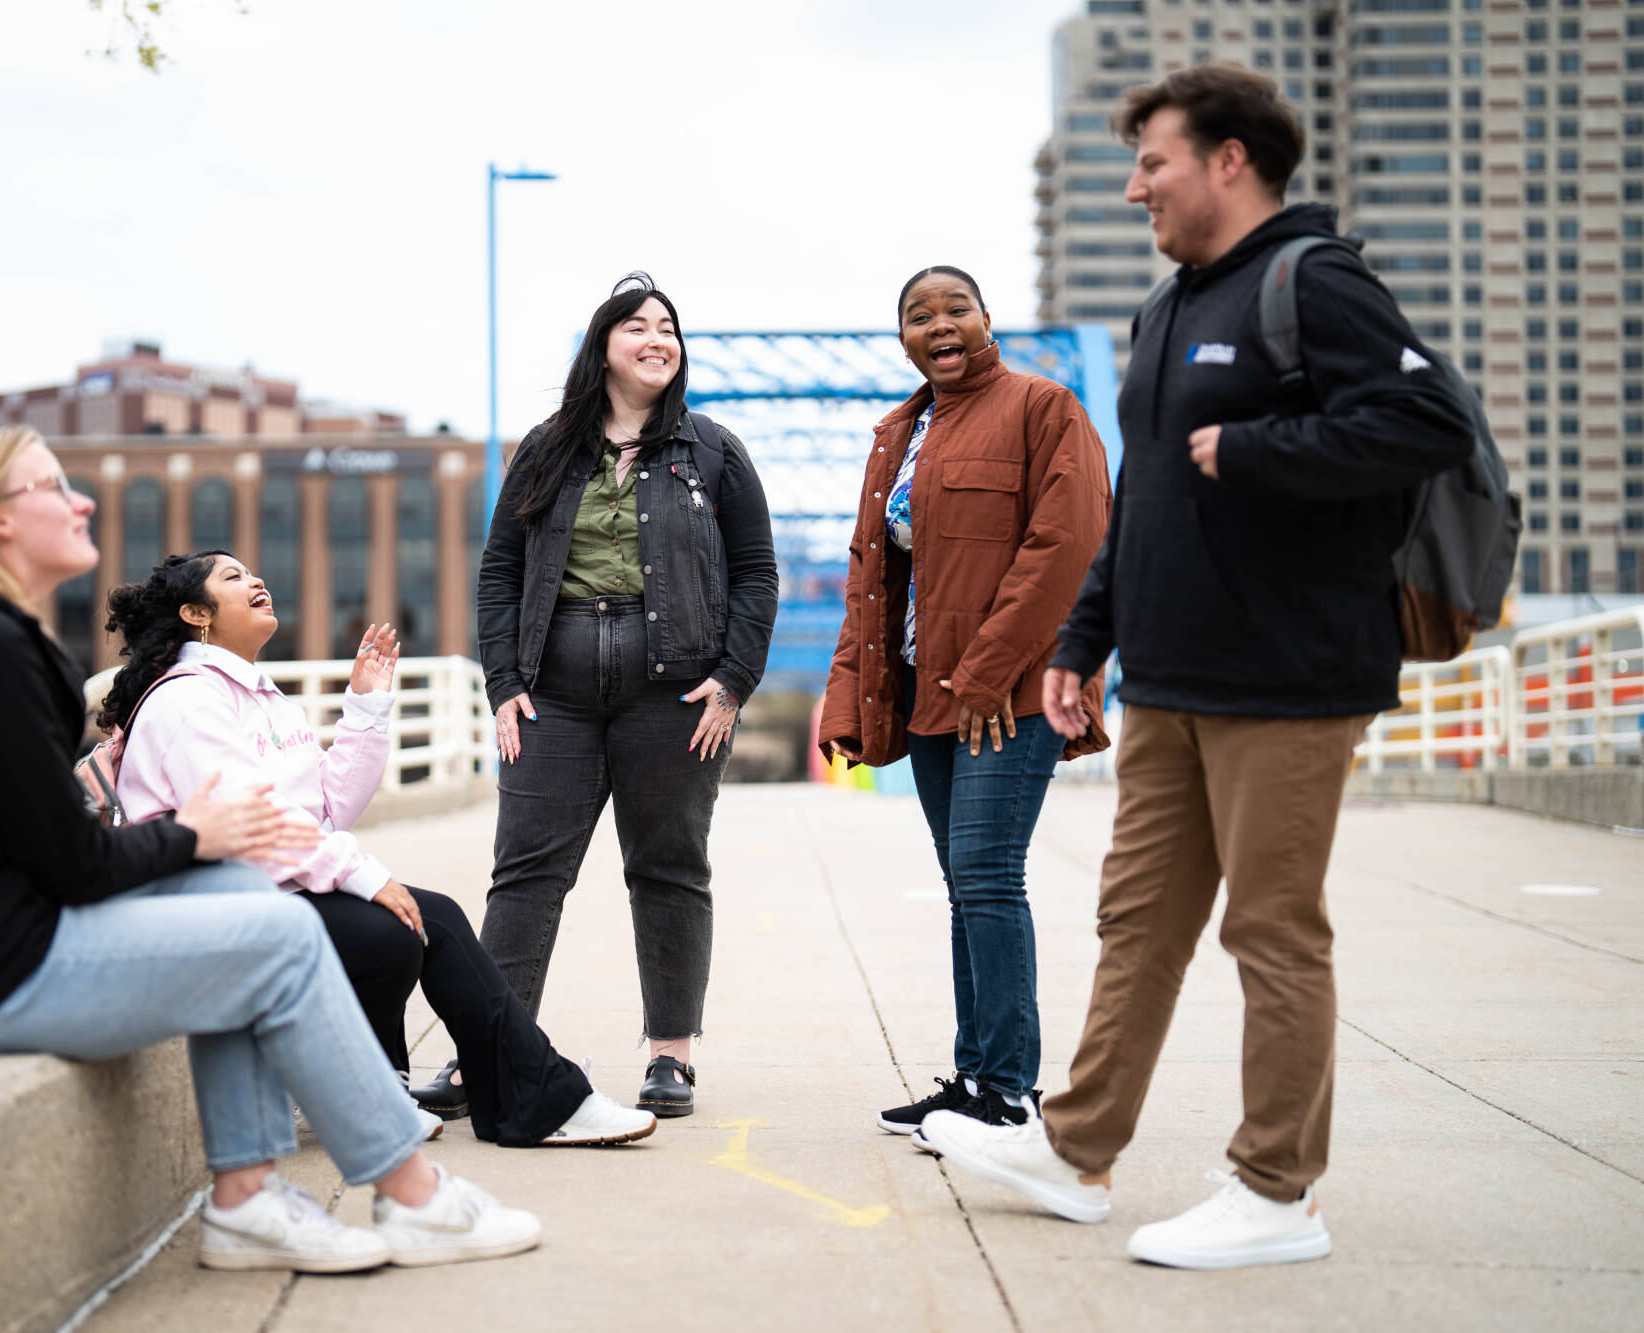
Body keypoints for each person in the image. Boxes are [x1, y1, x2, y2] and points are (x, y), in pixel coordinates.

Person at [919, 63, 1471, 1270]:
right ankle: (1074, 1153)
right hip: (1167, 676)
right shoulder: (1165, 308)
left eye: (1153, 162)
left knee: (1271, 931)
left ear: (1229, 160)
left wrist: (1268, 447)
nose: (1134, 188)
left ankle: (1275, 1193)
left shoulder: (1311, 282)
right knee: (1136, 923)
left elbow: (1431, 424)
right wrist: (1082, 640)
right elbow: (1146, 502)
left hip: (1290, 673)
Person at [0, 427, 544, 1276]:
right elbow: (69, 866)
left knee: (245, 905)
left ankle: (248, 1199)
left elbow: (49, 857)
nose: (81, 502)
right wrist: (195, 833)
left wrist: (205, 849)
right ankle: (413, 1193)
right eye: (53, 488)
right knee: (280, 938)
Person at [104, 549, 656, 1148]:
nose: (257, 579)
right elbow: (251, 821)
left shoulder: (256, 695)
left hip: (260, 887)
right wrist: (364, 876)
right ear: (195, 613)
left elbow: (327, 809)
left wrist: (366, 706)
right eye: (233, 577)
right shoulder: (186, 701)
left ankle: (511, 1094)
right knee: (397, 923)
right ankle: (500, 1094)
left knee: (426, 915)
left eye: (253, 571)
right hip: (211, 903)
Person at [473, 273, 778, 1117]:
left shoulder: (712, 451)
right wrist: (503, 680)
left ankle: (670, 1056)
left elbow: (756, 573)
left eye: (669, 327)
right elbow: (500, 571)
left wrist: (734, 678)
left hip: (672, 695)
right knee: (526, 871)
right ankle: (491, 1050)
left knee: (669, 867)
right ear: (603, 345)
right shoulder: (545, 449)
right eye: (638, 325)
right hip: (554, 696)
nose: (658, 337)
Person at [819, 266, 1111, 1140]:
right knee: (965, 888)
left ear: (987, 319)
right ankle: (975, 1076)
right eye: (919, 315)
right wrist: (849, 702)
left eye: (956, 309)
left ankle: (1010, 1093)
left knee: (988, 877)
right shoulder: (901, 433)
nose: (939, 324)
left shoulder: (1044, 408)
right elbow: (872, 585)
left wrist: (987, 671)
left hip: (1009, 691)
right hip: (931, 693)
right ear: (903, 336)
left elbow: (1067, 547)